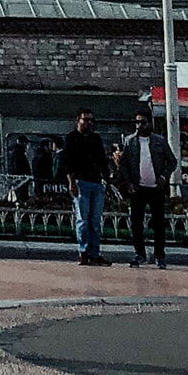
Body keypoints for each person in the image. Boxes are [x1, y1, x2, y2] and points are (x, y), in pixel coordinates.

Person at [115, 109, 176, 268]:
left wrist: (164, 176)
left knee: (158, 223)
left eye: (142, 122)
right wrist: (128, 182)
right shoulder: (129, 142)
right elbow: (124, 165)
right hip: (138, 188)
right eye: (137, 122)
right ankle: (139, 254)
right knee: (136, 222)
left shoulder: (159, 141)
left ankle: (159, 255)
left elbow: (172, 161)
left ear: (149, 123)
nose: (139, 126)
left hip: (156, 188)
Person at [59, 110, 111, 265]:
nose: (88, 123)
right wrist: (71, 182)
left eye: (91, 120)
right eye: (85, 120)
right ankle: (83, 252)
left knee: (95, 220)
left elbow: (102, 160)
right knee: (82, 219)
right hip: (80, 182)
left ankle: (95, 253)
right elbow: (67, 161)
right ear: (78, 120)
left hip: (96, 182)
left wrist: (107, 181)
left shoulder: (96, 139)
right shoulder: (72, 138)